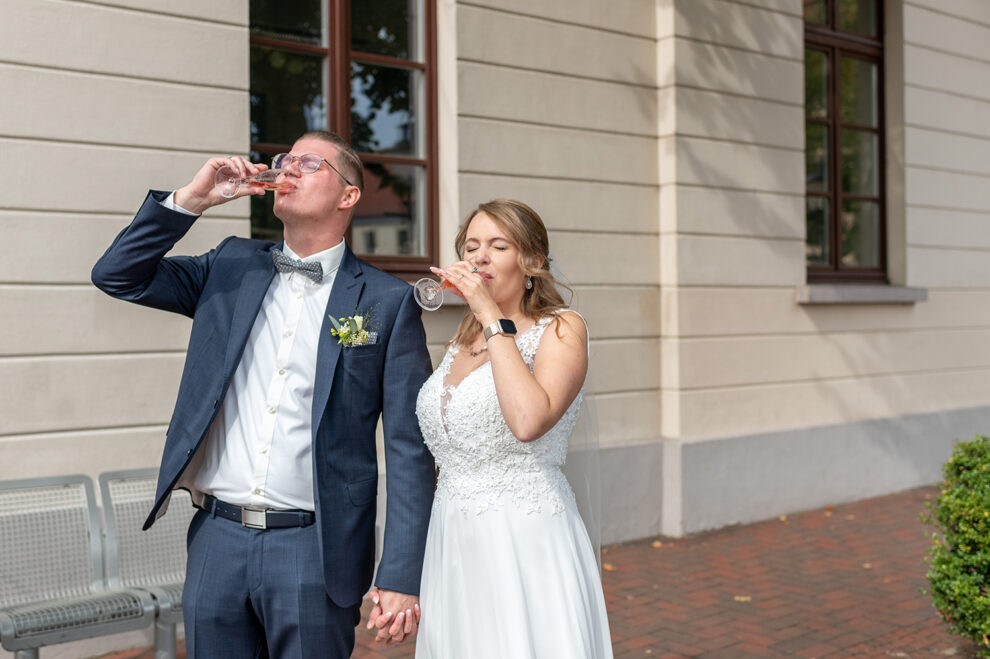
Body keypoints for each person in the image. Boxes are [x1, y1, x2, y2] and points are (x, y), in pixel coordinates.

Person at [91, 130, 435, 658]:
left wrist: (401, 574)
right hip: (216, 539)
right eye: (285, 159)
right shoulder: (229, 265)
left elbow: (410, 449)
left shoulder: (387, 303)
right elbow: (117, 275)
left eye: (310, 163)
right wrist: (192, 200)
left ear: (348, 195)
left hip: (316, 549)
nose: (288, 169)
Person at [391, 199, 613, 657]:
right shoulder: (460, 341)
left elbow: (529, 421)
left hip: (524, 538)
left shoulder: (561, 329)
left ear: (533, 262)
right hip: (453, 539)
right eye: (471, 246)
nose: (479, 257)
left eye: (498, 245)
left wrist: (491, 315)